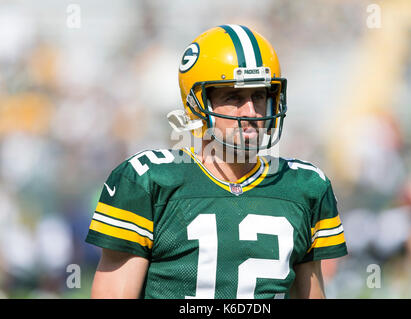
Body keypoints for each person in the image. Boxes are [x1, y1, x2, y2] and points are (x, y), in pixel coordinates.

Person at [85, 24, 347, 299]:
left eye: (259, 96)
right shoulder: (147, 181)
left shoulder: (304, 187)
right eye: (234, 97)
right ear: (197, 103)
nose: (251, 112)